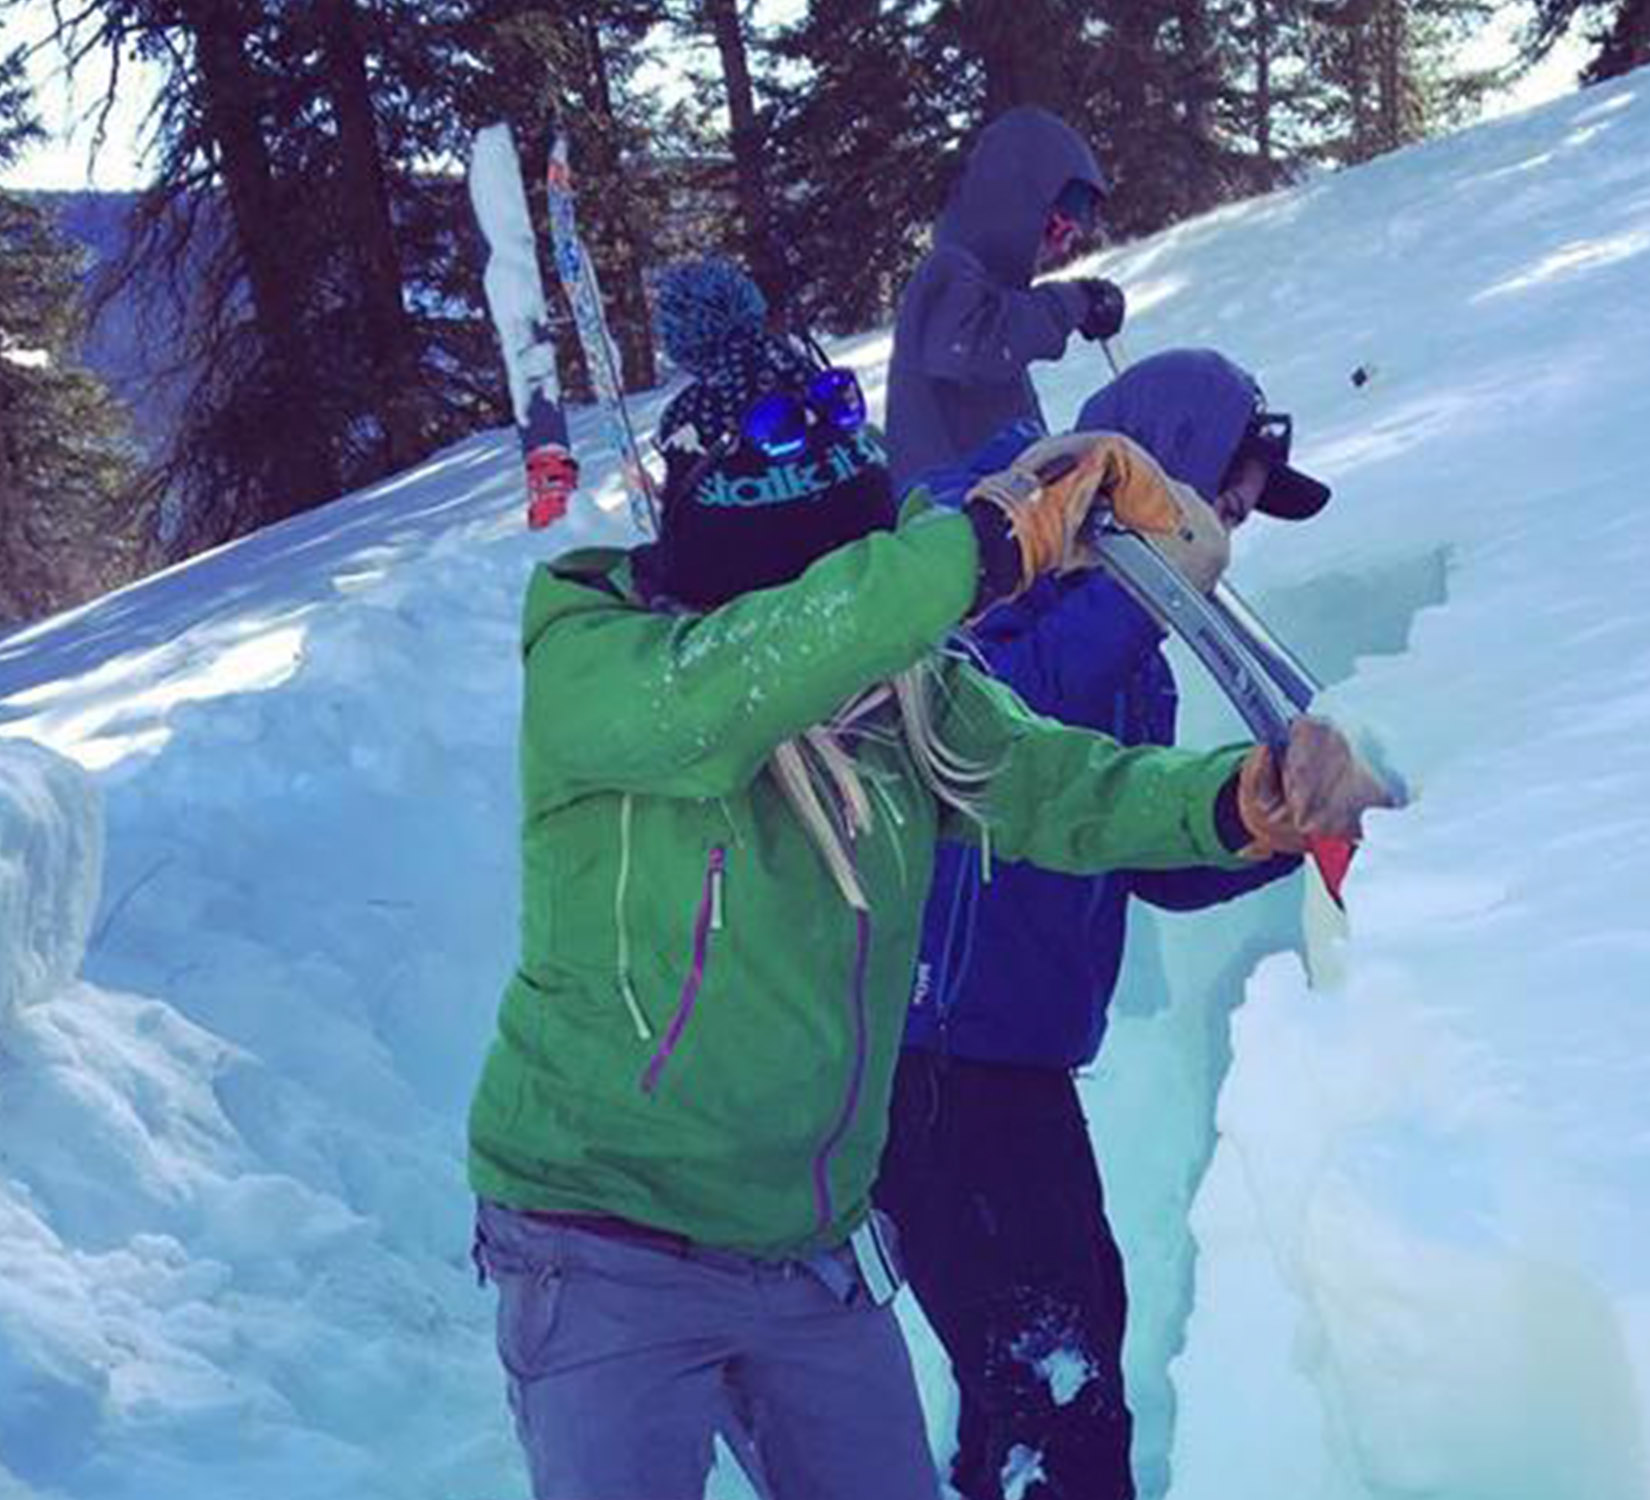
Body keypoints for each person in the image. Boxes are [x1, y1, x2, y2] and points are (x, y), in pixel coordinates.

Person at [463, 264, 1392, 1500]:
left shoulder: (901, 690)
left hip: (803, 1251)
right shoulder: (605, 667)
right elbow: (761, 668)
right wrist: (992, 542)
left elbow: (1054, 782)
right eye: (827, 579)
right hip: (601, 1248)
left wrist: (1235, 803)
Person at [876, 348, 1337, 1500]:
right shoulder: (977, 531)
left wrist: (1263, 829)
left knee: (1058, 1363)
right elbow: (993, 726)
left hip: (1016, 1057)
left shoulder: (1136, 630)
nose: (1227, 535)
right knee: (1053, 1382)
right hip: (929, 1051)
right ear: (1158, 470)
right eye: (1220, 503)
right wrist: (1141, 595)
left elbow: (1124, 833)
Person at [885, 106, 1127, 487]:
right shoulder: (949, 268)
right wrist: (1073, 302)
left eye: (1071, 236)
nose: (1060, 248)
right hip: (944, 513)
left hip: (996, 503)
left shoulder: (993, 291)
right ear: (1015, 206)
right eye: (1056, 227)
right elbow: (965, 351)